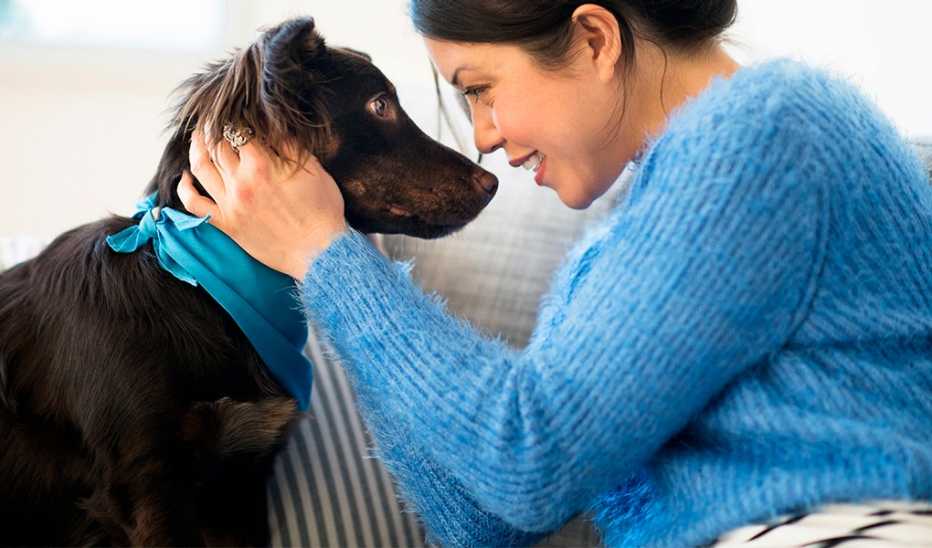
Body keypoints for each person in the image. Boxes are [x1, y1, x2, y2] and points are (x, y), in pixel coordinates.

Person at [177, 1, 932, 546]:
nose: (481, 136)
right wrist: (336, 258)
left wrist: (324, 254)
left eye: (480, 88)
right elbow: (483, 519)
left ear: (594, 39)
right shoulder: (641, 228)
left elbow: (528, 462)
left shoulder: (768, 131)